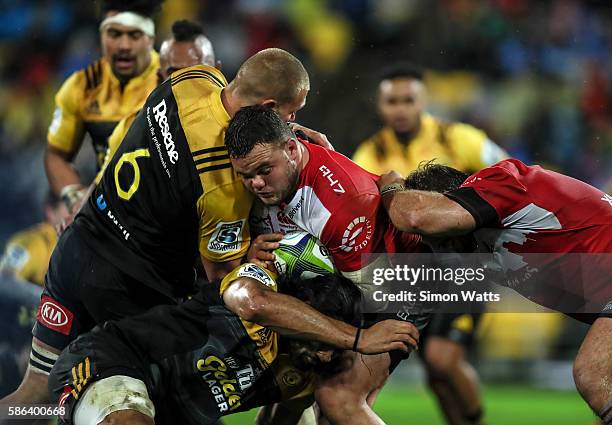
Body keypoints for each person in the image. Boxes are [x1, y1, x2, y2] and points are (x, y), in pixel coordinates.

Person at [0, 48, 312, 411]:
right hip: (124, 291)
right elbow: (223, 279)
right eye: (293, 111)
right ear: (269, 106)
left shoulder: (192, 79)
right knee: (164, 408)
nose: (293, 119)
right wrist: (253, 256)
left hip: (76, 249)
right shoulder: (223, 185)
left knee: (36, 397)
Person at [226, 105, 429, 424]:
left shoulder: (340, 205)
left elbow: (366, 299)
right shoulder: (276, 157)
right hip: (336, 284)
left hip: (393, 285)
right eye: (246, 175)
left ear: (292, 150)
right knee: (291, 390)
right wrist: (253, 257)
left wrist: (341, 346)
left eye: (264, 170)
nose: (257, 184)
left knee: (337, 398)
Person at [378, 160, 612, 424]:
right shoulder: (483, 247)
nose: (438, 248)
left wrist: (391, 188)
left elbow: (413, 216)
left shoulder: (500, 180)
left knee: (594, 373)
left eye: (436, 237)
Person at [48, 261, 419, 425]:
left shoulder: (308, 373)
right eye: (322, 337)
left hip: (163, 415)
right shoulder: (259, 285)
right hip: (109, 364)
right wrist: (356, 338)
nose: (325, 352)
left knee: (26, 410)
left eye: (333, 349)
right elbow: (253, 302)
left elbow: (280, 420)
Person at [352, 62, 508, 425]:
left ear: (424, 101)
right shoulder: (368, 154)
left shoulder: (460, 138)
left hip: (466, 268)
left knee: (441, 357)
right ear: (380, 106)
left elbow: (509, 173)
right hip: (414, 275)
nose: (401, 108)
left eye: (409, 99)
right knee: (435, 372)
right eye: (393, 101)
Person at [44, 0, 163, 216]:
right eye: (114, 34)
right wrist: (74, 198)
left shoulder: (171, 83)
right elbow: (56, 154)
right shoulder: (81, 86)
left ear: (150, 39)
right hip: (107, 211)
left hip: (164, 213)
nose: (123, 45)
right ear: (101, 36)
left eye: (134, 35)